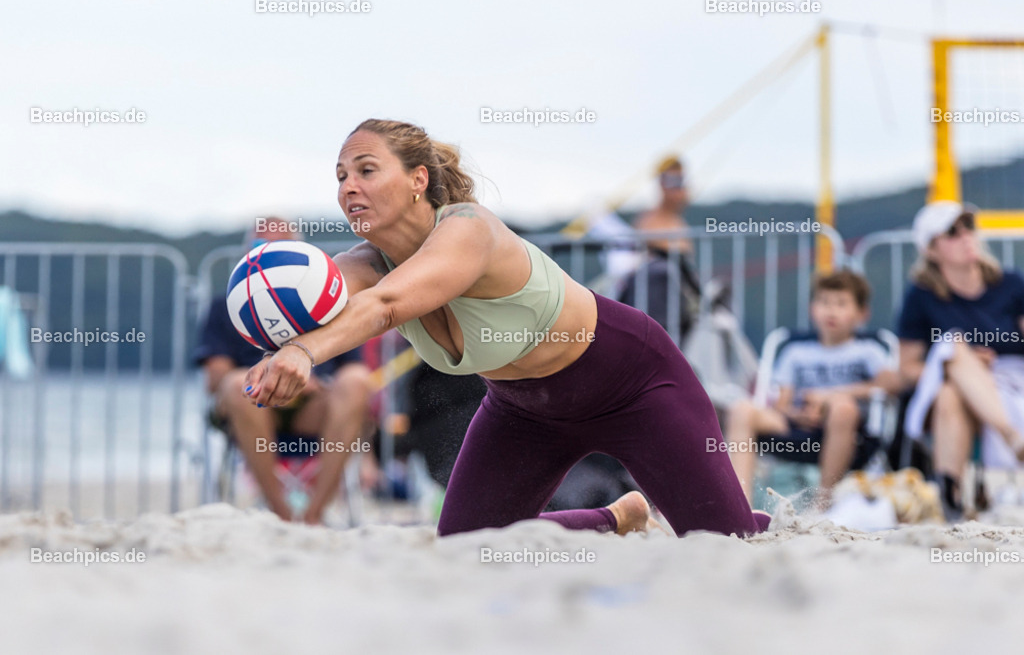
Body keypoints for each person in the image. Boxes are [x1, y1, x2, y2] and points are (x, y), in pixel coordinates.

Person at [243, 119, 770, 538]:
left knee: (727, 538)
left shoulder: (468, 228)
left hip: (632, 385)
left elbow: (384, 306)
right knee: (466, 541)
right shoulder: (367, 261)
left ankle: (734, 515)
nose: (349, 188)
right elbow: (319, 293)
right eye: (340, 177)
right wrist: (272, 324)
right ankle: (618, 517)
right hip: (525, 412)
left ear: (417, 180)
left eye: (365, 170)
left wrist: (304, 353)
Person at [195, 218, 373, 524]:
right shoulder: (227, 305)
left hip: (313, 404)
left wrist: (305, 375)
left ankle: (314, 513)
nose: (267, 253)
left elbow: (353, 366)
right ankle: (283, 513)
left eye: (278, 248)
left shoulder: (324, 301)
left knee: (356, 381)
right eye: (259, 246)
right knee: (237, 383)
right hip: (253, 403)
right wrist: (271, 376)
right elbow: (215, 380)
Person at [724, 270, 901, 507]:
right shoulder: (795, 352)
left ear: (862, 314)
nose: (831, 310)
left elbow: (890, 384)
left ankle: (822, 505)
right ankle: (739, 505)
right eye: (824, 301)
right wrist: (798, 414)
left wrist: (829, 397)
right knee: (742, 410)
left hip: (849, 433)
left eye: (841, 303)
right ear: (812, 308)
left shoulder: (868, 350)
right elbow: (781, 404)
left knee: (843, 408)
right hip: (798, 426)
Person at [897, 201, 1024, 517]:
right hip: (957, 386)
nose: (966, 235)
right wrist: (963, 363)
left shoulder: (1011, 284)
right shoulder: (921, 296)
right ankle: (1012, 440)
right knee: (952, 353)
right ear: (931, 249)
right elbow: (906, 368)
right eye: (952, 232)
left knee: (951, 381)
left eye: (969, 227)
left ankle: (949, 497)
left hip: (1012, 380)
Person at [620, 156, 702, 340]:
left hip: (678, 307)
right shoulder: (649, 222)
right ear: (661, 184)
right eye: (672, 181)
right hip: (657, 308)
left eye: (681, 181)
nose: (678, 188)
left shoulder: (680, 224)